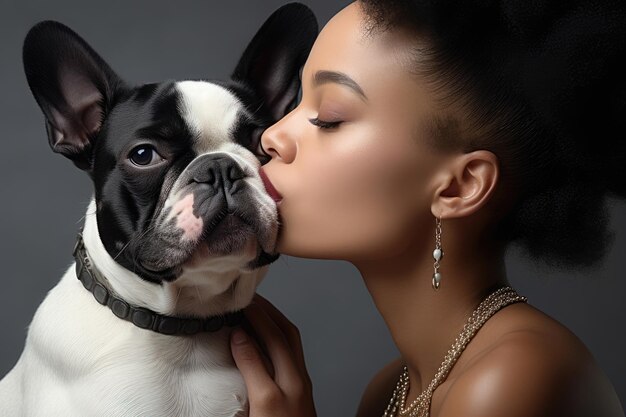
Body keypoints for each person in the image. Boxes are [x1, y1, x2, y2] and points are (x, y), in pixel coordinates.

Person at [228, 1, 626, 416]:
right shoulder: (391, 389)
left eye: (328, 118)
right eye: (297, 103)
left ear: (459, 186)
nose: (271, 136)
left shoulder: (513, 379)